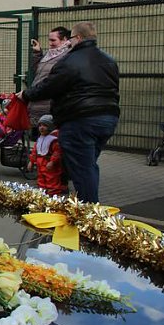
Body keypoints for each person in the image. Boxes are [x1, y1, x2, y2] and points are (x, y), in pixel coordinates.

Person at [21, 21, 119, 204]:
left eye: (71, 39)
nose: (69, 43)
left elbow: (50, 86)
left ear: (78, 38)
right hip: (108, 117)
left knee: (82, 168)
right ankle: (87, 206)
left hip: (80, 119)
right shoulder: (109, 60)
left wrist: (26, 95)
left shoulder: (69, 61)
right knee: (88, 165)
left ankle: (88, 213)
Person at [27, 26, 71, 135]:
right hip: (37, 103)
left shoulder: (66, 56)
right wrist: (37, 53)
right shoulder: (49, 54)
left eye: (53, 40)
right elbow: (38, 71)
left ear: (64, 39)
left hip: (48, 106)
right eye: (49, 40)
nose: (50, 43)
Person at [27, 115, 67, 196]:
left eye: (45, 125)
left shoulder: (53, 140)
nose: (41, 127)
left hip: (49, 165)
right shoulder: (40, 138)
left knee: (52, 180)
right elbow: (35, 151)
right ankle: (42, 194)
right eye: (40, 125)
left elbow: (57, 152)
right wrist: (31, 161)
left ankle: (53, 196)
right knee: (41, 180)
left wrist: (52, 161)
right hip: (40, 164)